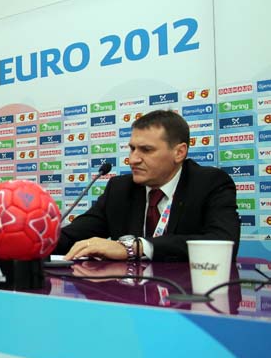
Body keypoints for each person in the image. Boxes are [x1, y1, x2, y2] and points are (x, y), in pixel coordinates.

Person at [55, 109, 239, 262]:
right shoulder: (119, 189)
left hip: (187, 291)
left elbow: (223, 243)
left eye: (146, 150)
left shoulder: (209, 183)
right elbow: (72, 236)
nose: (133, 159)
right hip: (130, 292)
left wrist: (137, 247)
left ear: (179, 152)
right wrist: (39, 241)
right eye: (132, 148)